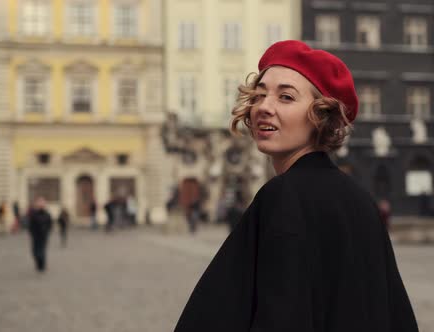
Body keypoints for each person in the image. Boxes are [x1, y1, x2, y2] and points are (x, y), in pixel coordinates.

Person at [174, 40, 417, 331]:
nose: (264, 107)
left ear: (321, 116)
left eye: (286, 97)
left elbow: (280, 315)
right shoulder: (360, 199)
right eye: (260, 95)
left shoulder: (284, 196)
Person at [27, 197, 53, 272]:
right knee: (35, 251)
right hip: (36, 236)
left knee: (42, 250)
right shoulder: (34, 214)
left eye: (42, 203)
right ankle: (39, 263)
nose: (41, 205)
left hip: (43, 235)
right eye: (39, 203)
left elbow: (50, 224)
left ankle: (42, 265)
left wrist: (47, 231)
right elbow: (31, 225)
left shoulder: (47, 214)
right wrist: (31, 233)